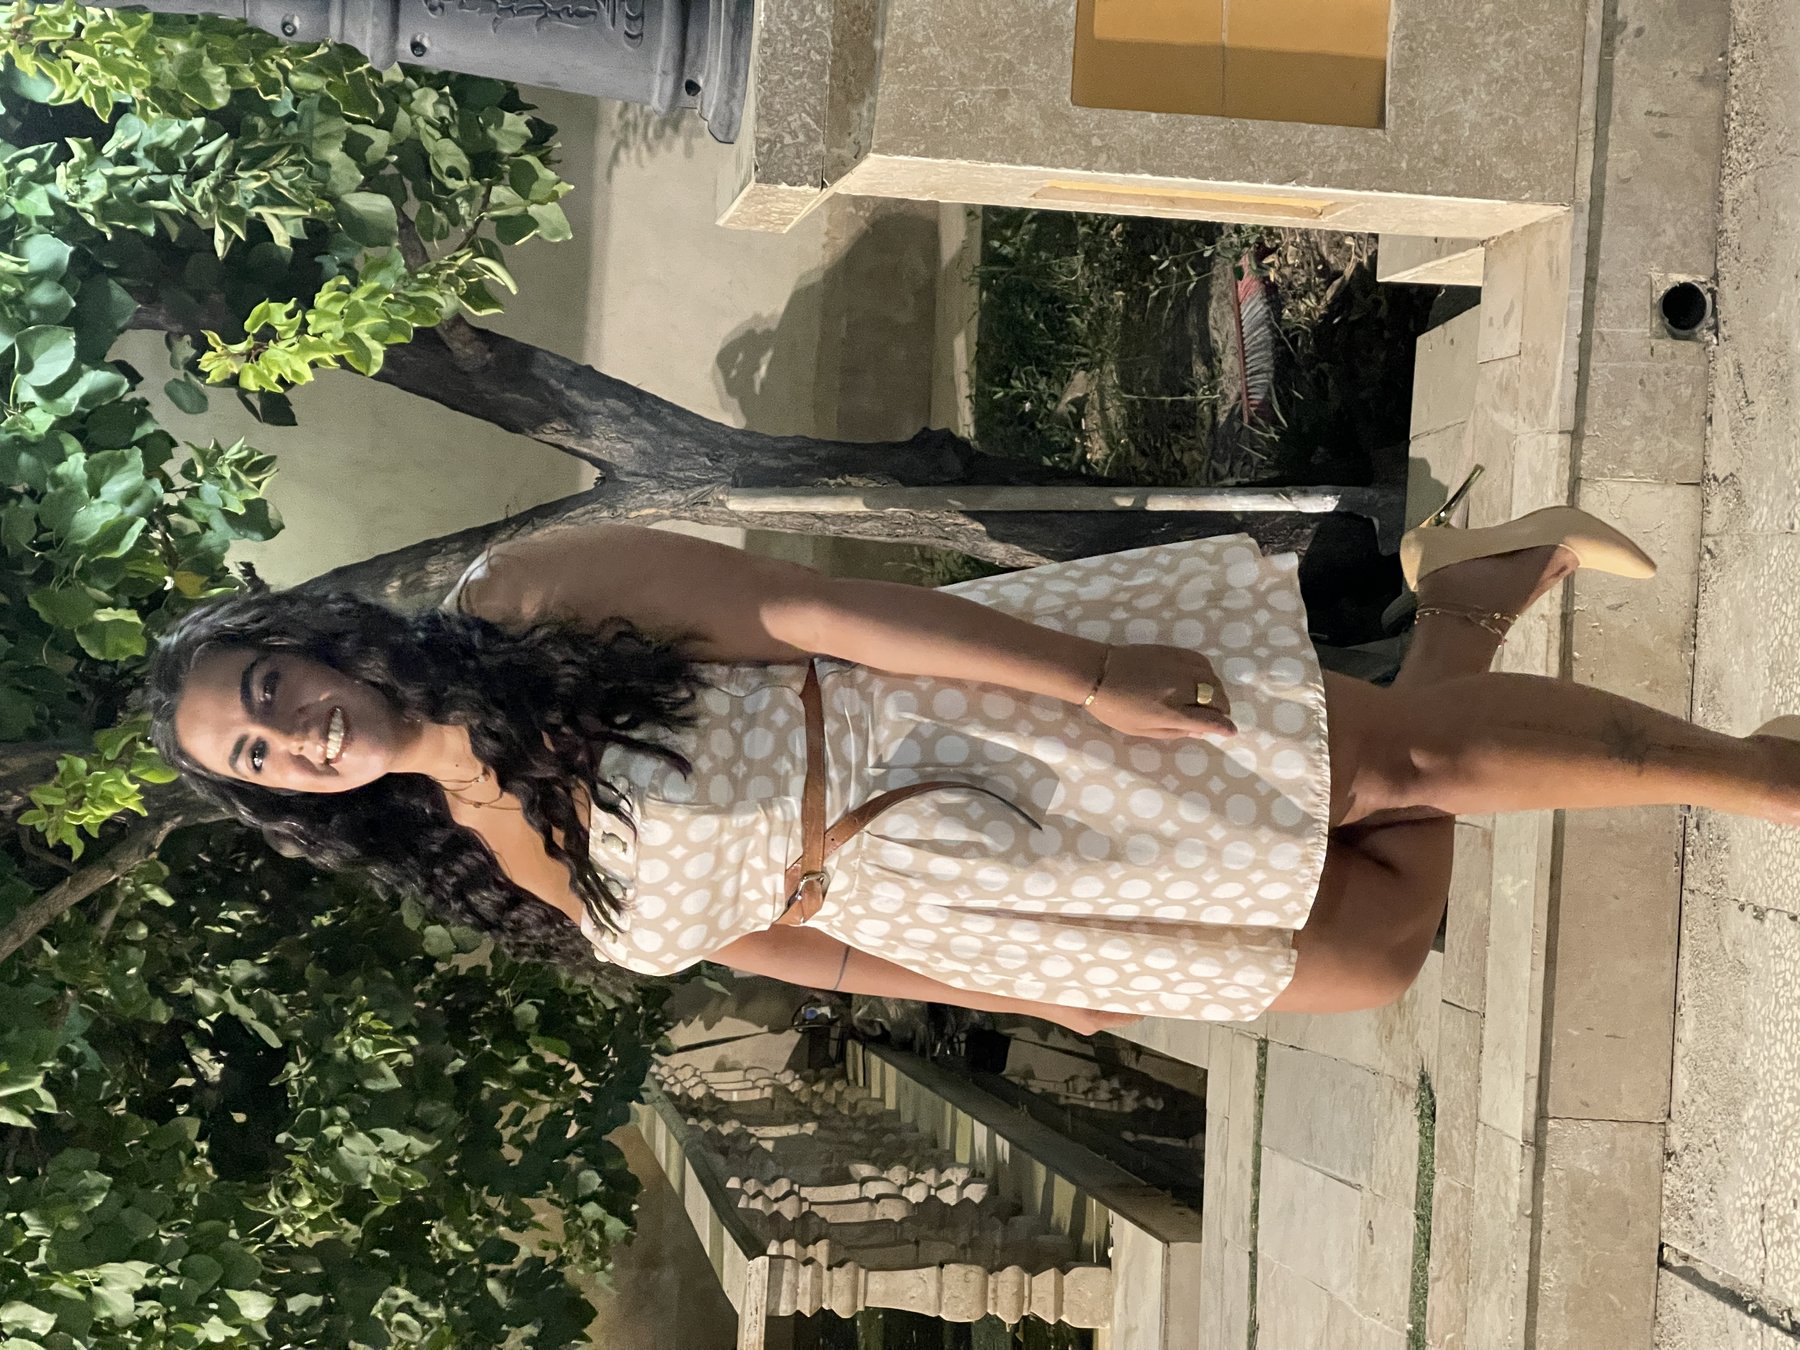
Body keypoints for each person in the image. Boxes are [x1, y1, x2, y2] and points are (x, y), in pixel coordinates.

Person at [145, 507, 1800, 1035]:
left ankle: (1761, 775)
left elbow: (805, 607)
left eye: (270, 687)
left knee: (1394, 769)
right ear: (288, 798)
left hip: (967, 734)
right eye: (258, 754)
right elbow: (779, 946)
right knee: (1373, 950)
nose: (294, 732)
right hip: (969, 906)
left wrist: (1087, 674)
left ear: (313, 639)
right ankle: (1467, 603)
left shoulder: (520, 597)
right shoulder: (479, 860)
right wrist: (1015, 990)